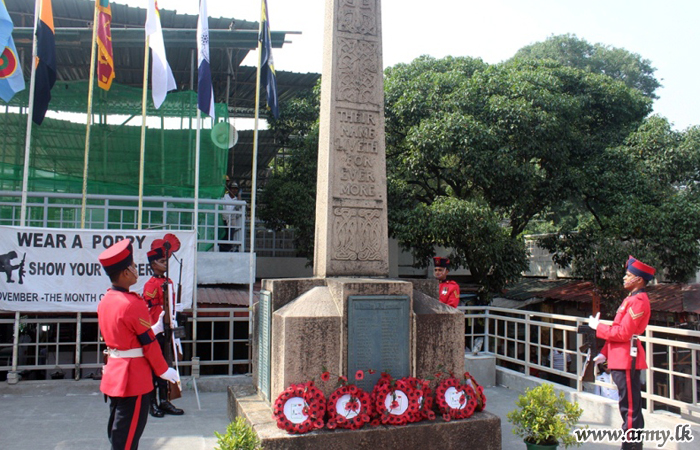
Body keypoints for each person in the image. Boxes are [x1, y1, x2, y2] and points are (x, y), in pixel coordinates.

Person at [97, 239, 179, 450]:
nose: (135, 270)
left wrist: (156, 328)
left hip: (115, 374)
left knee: (117, 430)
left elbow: (126, 335)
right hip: (132, 378)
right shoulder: (133, 303)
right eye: (132, 267)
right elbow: (148, 343)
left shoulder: (107, 299)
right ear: (124, 273)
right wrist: (163, 370)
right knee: (127, 438)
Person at [588, 256, 654, 450]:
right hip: (620, 357)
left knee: (630, 408)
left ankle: (632, 446)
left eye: (629, 275)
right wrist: (605, 353)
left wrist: (597, 327)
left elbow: (624, 333)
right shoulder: (630, 299)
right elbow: (618, 328)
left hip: (627, 358)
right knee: (626, 406)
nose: (624, 278)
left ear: (639, 280)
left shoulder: (639, 301)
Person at [142, 244, 185, 417]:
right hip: (156, 330)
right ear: (153, 265)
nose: (165, 264)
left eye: (165, 260)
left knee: (167, 365)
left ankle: (165, 400)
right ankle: (152, 403)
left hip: (169, 328)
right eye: (161, 261)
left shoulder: (169, 282)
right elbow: (151, 310)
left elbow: (171, 305)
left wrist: (176, 313)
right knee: (154, 368)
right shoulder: (150, 285)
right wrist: (162, 320)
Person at [219, 177, 242, 252]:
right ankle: (222, 247)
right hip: (223, 219)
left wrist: (239, 197)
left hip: (231, 220)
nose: (234, 190)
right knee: (224, 234)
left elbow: (238, 207)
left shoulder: (236, 199)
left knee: (230, 235)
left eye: (236, 189)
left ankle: (227, 248)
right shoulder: (224, 197)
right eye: (232, 188)